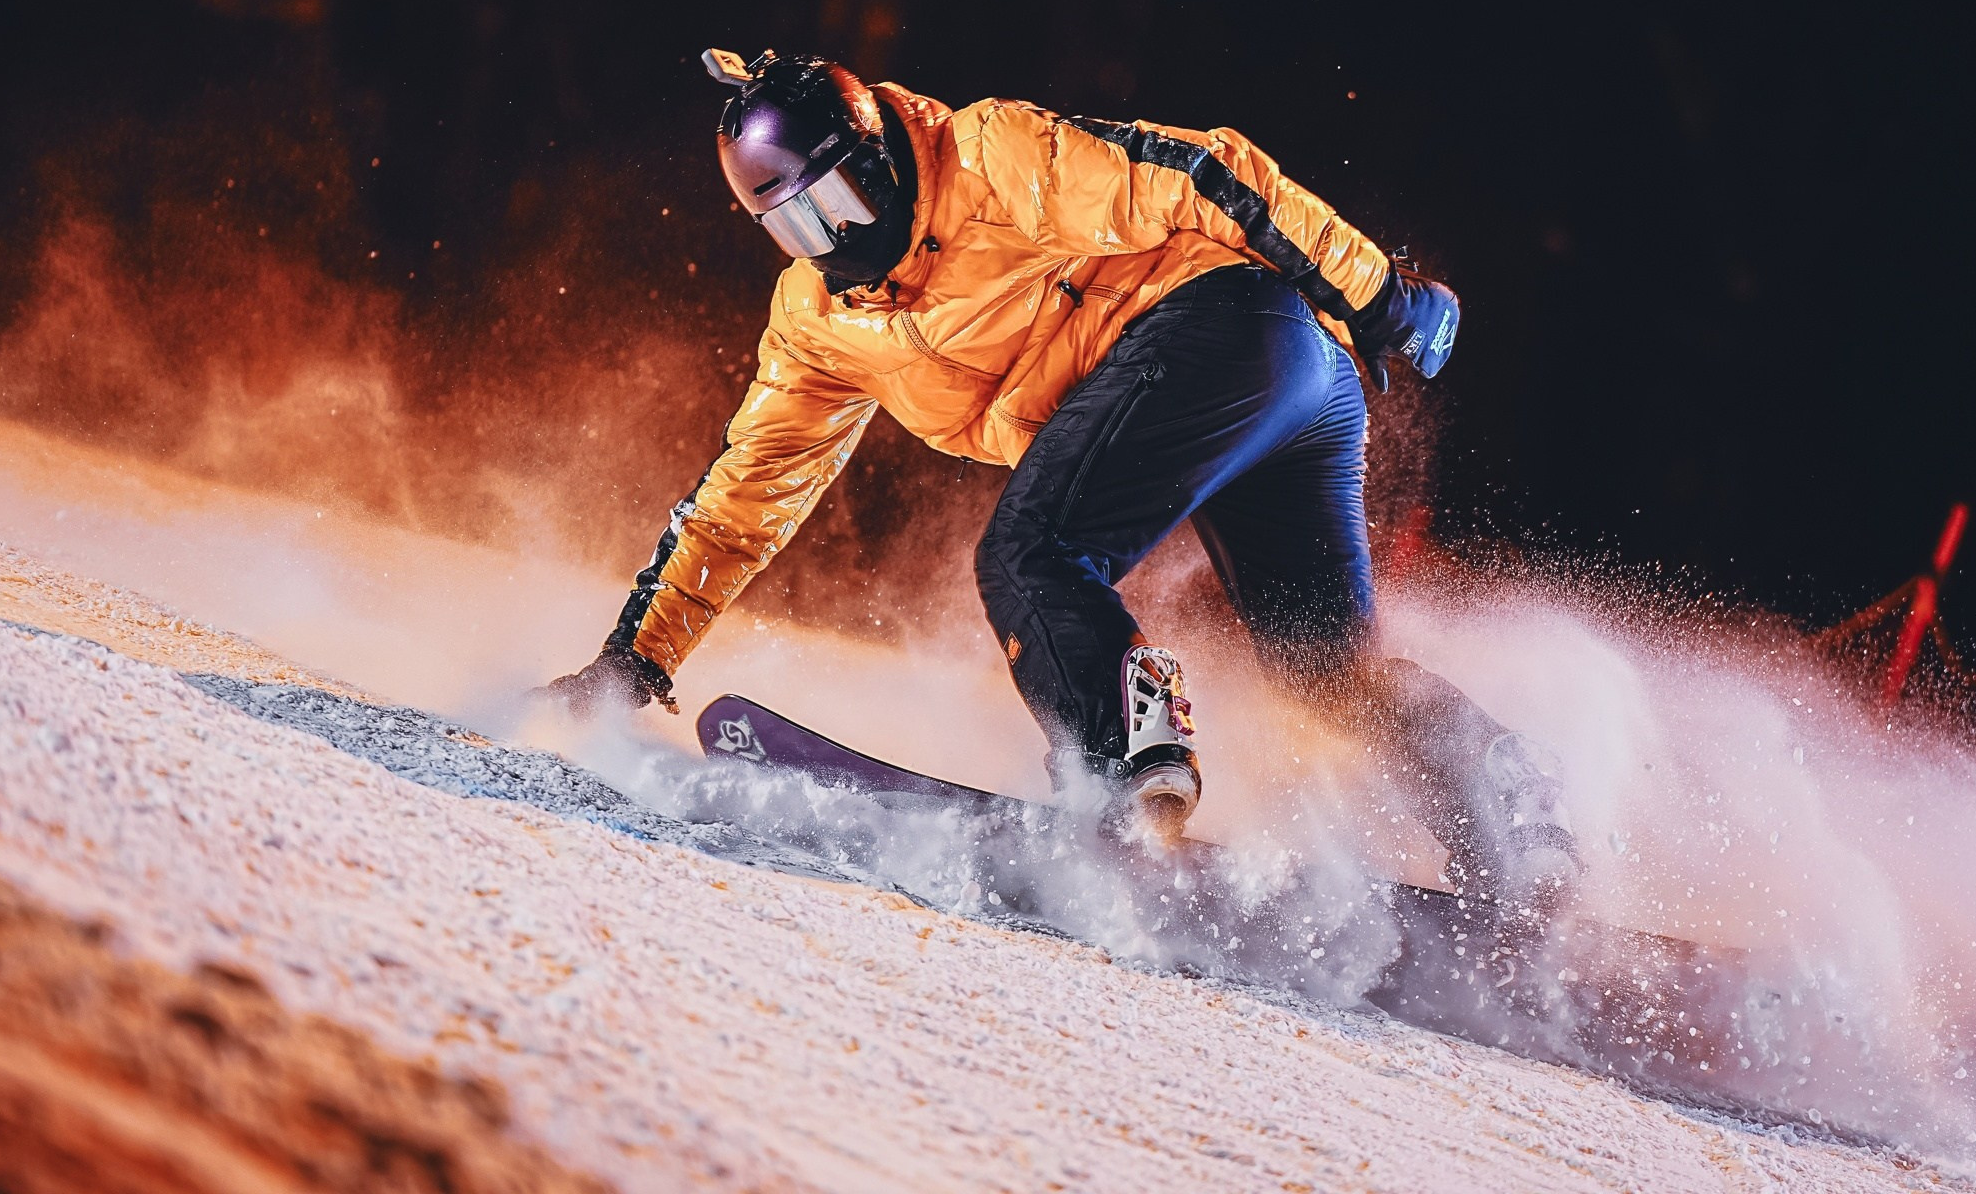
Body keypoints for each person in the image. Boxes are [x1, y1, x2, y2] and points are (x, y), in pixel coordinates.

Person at [546, 49, 1577, 911]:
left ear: (875, 156)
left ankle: (1125, 769)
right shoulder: (819, 325)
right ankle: (1496, 791)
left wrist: (1377, 292)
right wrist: (635, 656)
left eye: (842, 203)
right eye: (797, 229)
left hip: (1237, 333)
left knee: (1032, 555)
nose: (838, 242)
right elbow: (747, 491)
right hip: (1262, 390)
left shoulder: (990, 155)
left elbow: (1204, 173)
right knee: (1321, 664)